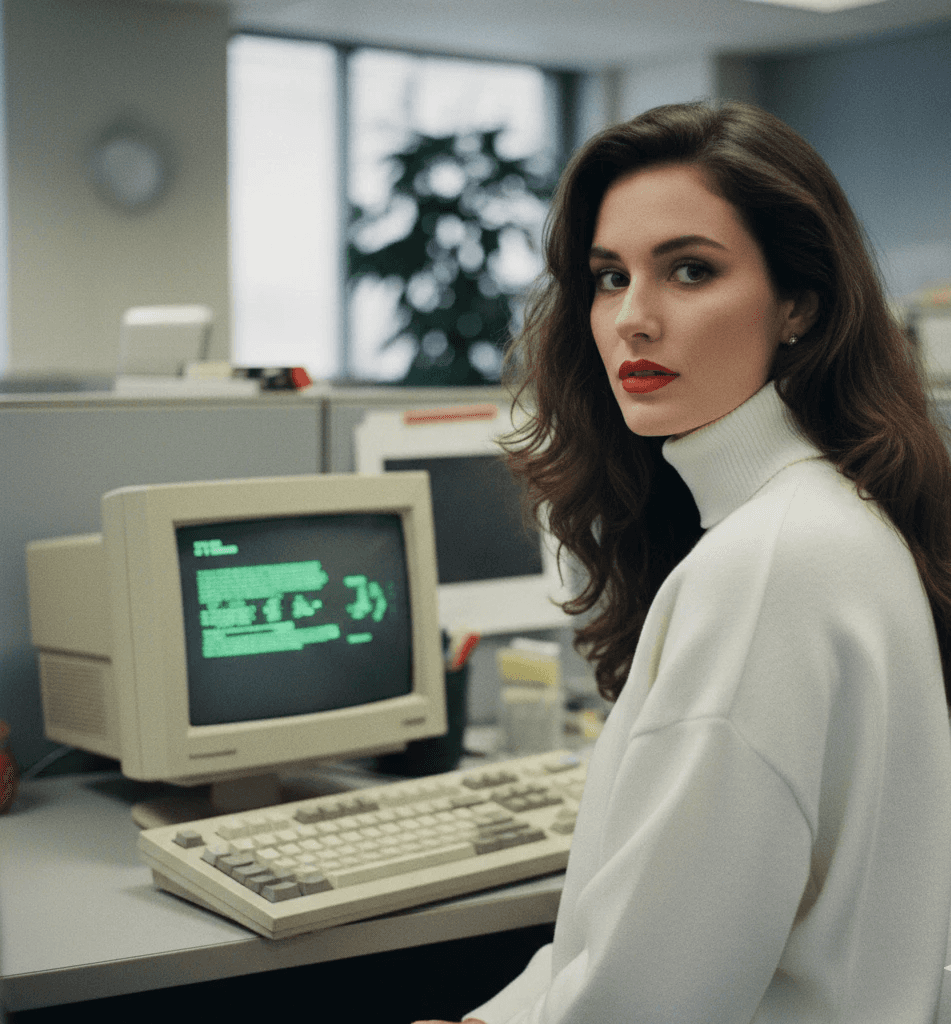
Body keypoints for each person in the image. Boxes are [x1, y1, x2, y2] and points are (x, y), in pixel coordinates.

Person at [414, 100, 951, 1023]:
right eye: (608, 278)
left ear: (798, 304)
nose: (633, 318)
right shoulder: (827, 517)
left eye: (690, 271)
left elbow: (648, 1000)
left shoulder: (767, 567)